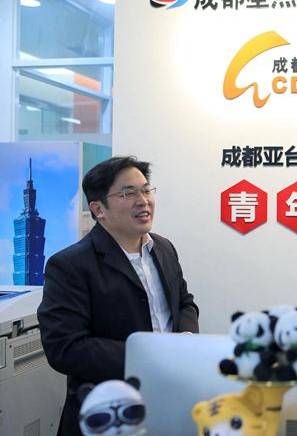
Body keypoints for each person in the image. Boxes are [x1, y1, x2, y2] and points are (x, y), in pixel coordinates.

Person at [38, 156, 199, 435]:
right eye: (128, 193)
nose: (143, 201)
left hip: (166, 401)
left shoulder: (163, 248)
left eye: (146, 190)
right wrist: (149, 356)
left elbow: (184, 302)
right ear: (98, 209)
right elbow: (65, 348)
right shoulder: (70, 265)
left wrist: (184, 340)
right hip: (106, 414)